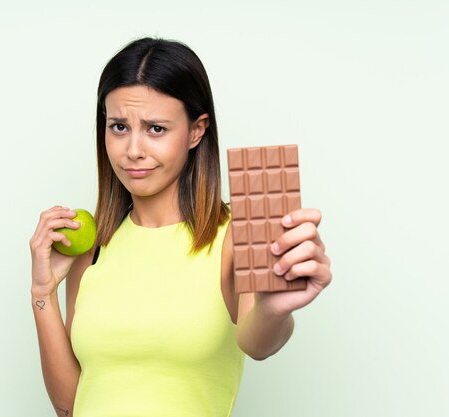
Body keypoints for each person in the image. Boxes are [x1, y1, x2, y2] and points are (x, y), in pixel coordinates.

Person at [29, 37, 332, 417]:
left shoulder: (238, 234)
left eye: (156, 129)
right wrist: (42, 293)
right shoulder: (93, 250)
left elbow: (258, 343)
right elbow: (70, 404)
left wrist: (274, 307)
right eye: (119, 127)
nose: (133, 149)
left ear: (196, 130)